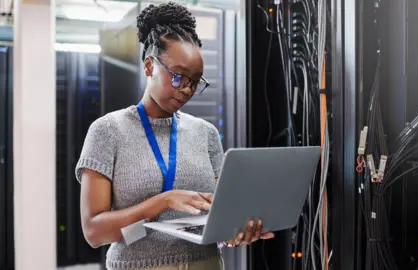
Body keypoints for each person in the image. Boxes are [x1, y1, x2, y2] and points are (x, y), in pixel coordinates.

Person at [75, 2, 274, 270]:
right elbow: (94, 232)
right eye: (179, 77)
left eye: (196, 81)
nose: (187, 90)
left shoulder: (206, 134)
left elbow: (216, 217)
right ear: (149, 66)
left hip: (206, 263)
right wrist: (163, 202)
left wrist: (236, 230)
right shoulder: (108, 131)